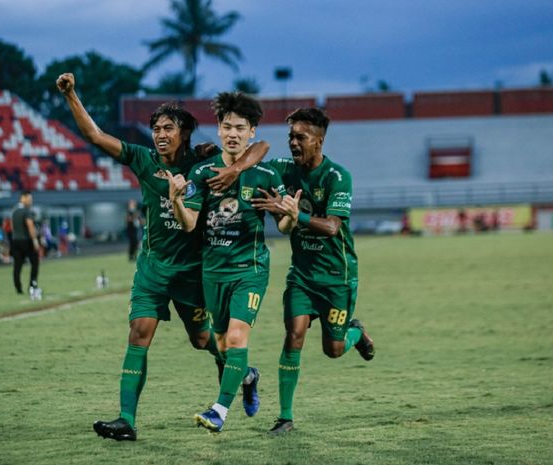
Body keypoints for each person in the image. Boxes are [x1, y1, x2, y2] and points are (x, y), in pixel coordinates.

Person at [57, 73, 268, 442]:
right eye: (156, 128)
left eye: (168, 128)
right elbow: (94, 136)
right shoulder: (143, 159)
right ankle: (126, 419)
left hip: (193, 274)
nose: (159, 134)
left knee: (203, 340)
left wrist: (234, 168)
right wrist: (72, 94)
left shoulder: (202, 163)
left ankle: (245, 375)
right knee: (139, 333)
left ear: (185, 133)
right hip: (152, 269)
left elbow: (257, 148)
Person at [168, 91, 299, 433]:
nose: (233, 133)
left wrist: (291, 217)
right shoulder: (202, 173)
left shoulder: (266, 175)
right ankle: (249, 375)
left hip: (250, 269)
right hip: (213, 270)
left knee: (238, 338)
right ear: (219, 128)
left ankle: (219, 410)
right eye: (227, 126)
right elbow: (189, 224)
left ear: (251, 132)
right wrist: (177, 202)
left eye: (240, 128)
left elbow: (283, 227)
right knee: (223, 346)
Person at [251, 108, 375, 435]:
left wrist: (295, 214)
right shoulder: (284, 169)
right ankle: (285, 417)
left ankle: (356, 333)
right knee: (293, 337)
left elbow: (333, 227)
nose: (293, 142)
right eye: (290, 136)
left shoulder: (337, 176)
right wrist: (221, 155)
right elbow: (258, 154)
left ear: (318, 141)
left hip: (337, 278)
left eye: (300, 137)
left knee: (332, 350)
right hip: (302, 277)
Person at [11, 190, 41, 299]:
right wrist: (35, 240)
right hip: (26, 241)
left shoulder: (14, 211)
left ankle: (18, 288)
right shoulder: (26, 211)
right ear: (23, 198)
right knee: (35, 263)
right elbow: (30, 226)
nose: (31, 201)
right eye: (29, 199)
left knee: (17, 266)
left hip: (15, 241)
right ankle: (33, 285)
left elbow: (12, 227)